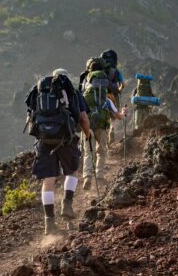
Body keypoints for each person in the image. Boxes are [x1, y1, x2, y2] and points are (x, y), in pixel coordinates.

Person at [26, 69, 92, 235]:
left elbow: (31, 117)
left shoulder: (38, 92)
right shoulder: (72, 92)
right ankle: (67, 204)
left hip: (44, 140)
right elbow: (83, 118)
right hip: (65, 138)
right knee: (72, 171)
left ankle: (49, 223)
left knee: (48, 181)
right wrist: (88, 134)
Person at [80, 57, 127, 191]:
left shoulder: (84, 96)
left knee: (89, 152)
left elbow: (80, 112)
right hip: (102, 125)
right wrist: (124, 112)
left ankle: (87, 176)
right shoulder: (107, 99)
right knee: (102, 150)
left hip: (88, 126)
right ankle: (99, 176)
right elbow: (118, 116)